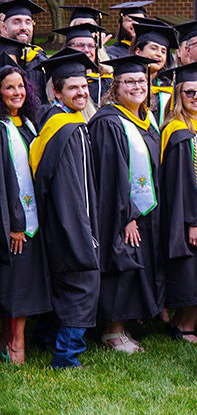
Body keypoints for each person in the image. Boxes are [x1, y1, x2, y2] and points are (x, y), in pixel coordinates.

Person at [29, 51, 100, 368]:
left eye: (84, 87)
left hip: (58, 224)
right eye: (73, 88)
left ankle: (45, 339)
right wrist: (82, 234)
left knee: (63, 284)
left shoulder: (60, 123)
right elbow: (73, 190)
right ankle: (67, 356)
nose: (81, 93)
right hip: (71, 223)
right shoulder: (67, 130)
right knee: (81, 285)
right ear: (56, 91)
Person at [89, 56, 164, 354]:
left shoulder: (145, 119)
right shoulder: (109, 122)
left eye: (141, 82)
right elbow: (110, 175)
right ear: (115, 87)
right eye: (129, 82)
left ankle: (124, 327)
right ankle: (112, 331)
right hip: (121, 213)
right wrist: (127, 216)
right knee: (121, 264)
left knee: (137, 266)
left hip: (145, 211)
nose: (137, 86)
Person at [159, 61, 197, 343]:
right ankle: (185, 327)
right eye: (190, 93)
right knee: (192, 271)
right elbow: (182, 181)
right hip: (190, 215)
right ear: (178, 96)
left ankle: (181, 323)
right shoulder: (179, 132)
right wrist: (193, 222)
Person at [0, 63, 49, 365]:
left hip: (33, 217)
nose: (17, 92)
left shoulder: (28, 123)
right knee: (14, 283)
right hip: (14, 221)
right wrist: (16, 222)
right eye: (9, 87)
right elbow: (5, 180)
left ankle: (12, 341)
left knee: (22, 281)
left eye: (21, 86)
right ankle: (15, 344)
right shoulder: (1, 128)